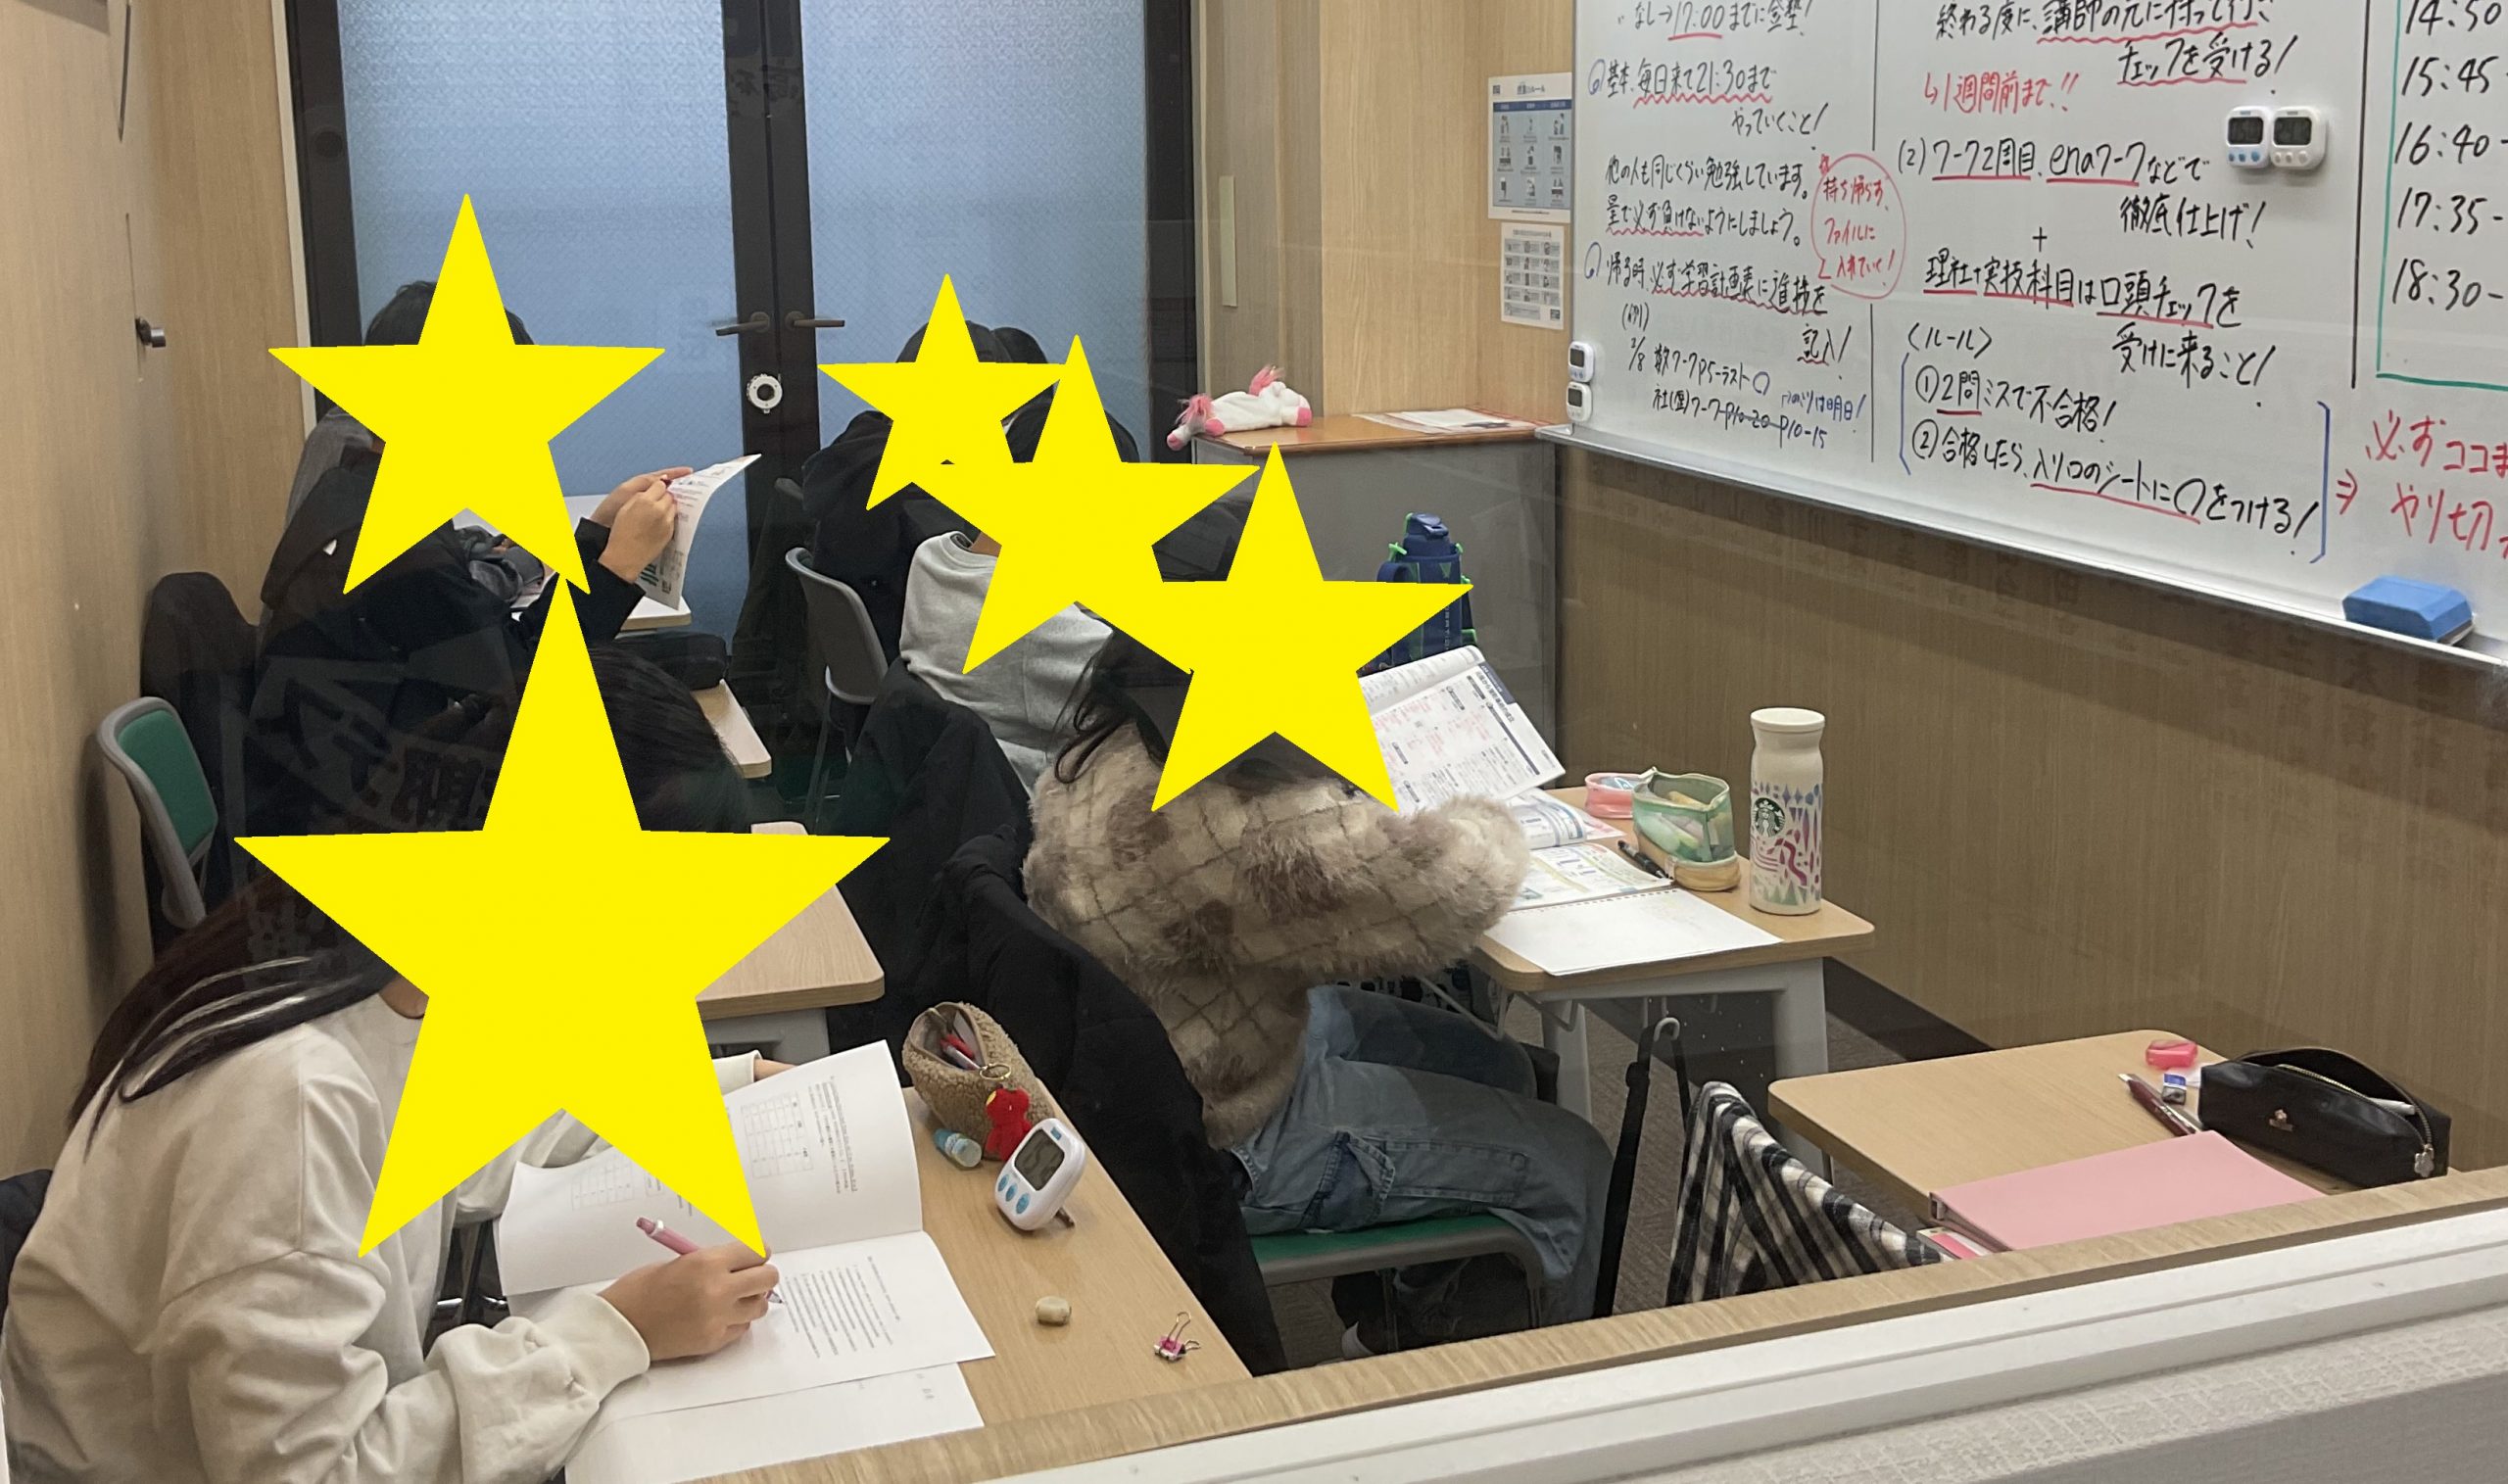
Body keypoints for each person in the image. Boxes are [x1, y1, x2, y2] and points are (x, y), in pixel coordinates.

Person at [0, 655, 774, 1484]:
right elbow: (317, 1472)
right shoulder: (288, 1098)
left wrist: (739, 1087)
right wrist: (616, 1331)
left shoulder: (373, 964)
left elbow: (477, 1142)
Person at [1022, 538, 1613, 1352]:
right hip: (1229, 1134)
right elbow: (1455, 888)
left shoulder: (1102, 743)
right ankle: (1523, 1385)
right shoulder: (1248, 823)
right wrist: (1485, 808)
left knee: (1498, 1064)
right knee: (1572, 1162)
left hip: (1153, 1067)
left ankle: (1413, 1314)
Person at [248, 421, 688, 839]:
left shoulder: (354, 487)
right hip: (361, 816)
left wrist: (597, 533)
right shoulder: (400, 550)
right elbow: (525, 685)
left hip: (341, 767)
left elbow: (503, 649)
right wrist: (617, 569)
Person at [894, 388, 1139, 790]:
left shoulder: (932, 560)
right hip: (1048, 803)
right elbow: (1160, 693)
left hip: (960, 792)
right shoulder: (1038, 627)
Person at [284, 281, 544, 605]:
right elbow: (442, 598)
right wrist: (523, 564)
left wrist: (475, 545)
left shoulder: (353, 430)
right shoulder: (356, 450)